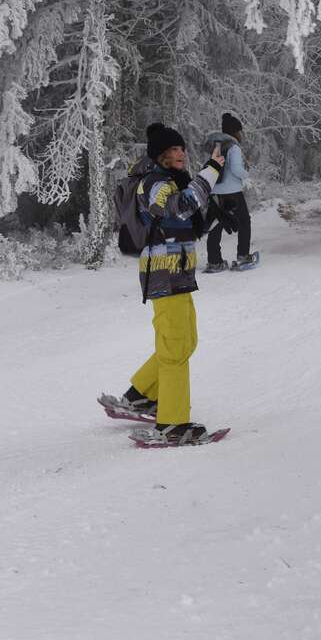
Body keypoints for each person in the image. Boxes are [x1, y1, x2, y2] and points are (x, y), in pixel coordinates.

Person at [100, 122, 224, 446]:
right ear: (160, 155)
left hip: (177, 274)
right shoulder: (154, 183)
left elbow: (182, 223)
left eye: (182, 148)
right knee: (175, 348)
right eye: (173, 149)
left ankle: (141, 395)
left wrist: (215, 215)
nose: (180, 153)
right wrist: (210, 173)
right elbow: (176, 208)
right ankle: (172, 423)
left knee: (185, 342)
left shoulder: (168, 181)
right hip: (164, 274)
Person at [205, 112, 255, 271]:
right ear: (234, 132)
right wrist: (246, 174)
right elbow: (235, 169)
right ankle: (243, 257)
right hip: (232, 191)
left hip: (215, 190)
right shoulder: (234, 147)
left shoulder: (215, 145)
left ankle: (214, 261)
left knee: (216, 224)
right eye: (239, 131)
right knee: (244, 221)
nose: (241, 134)